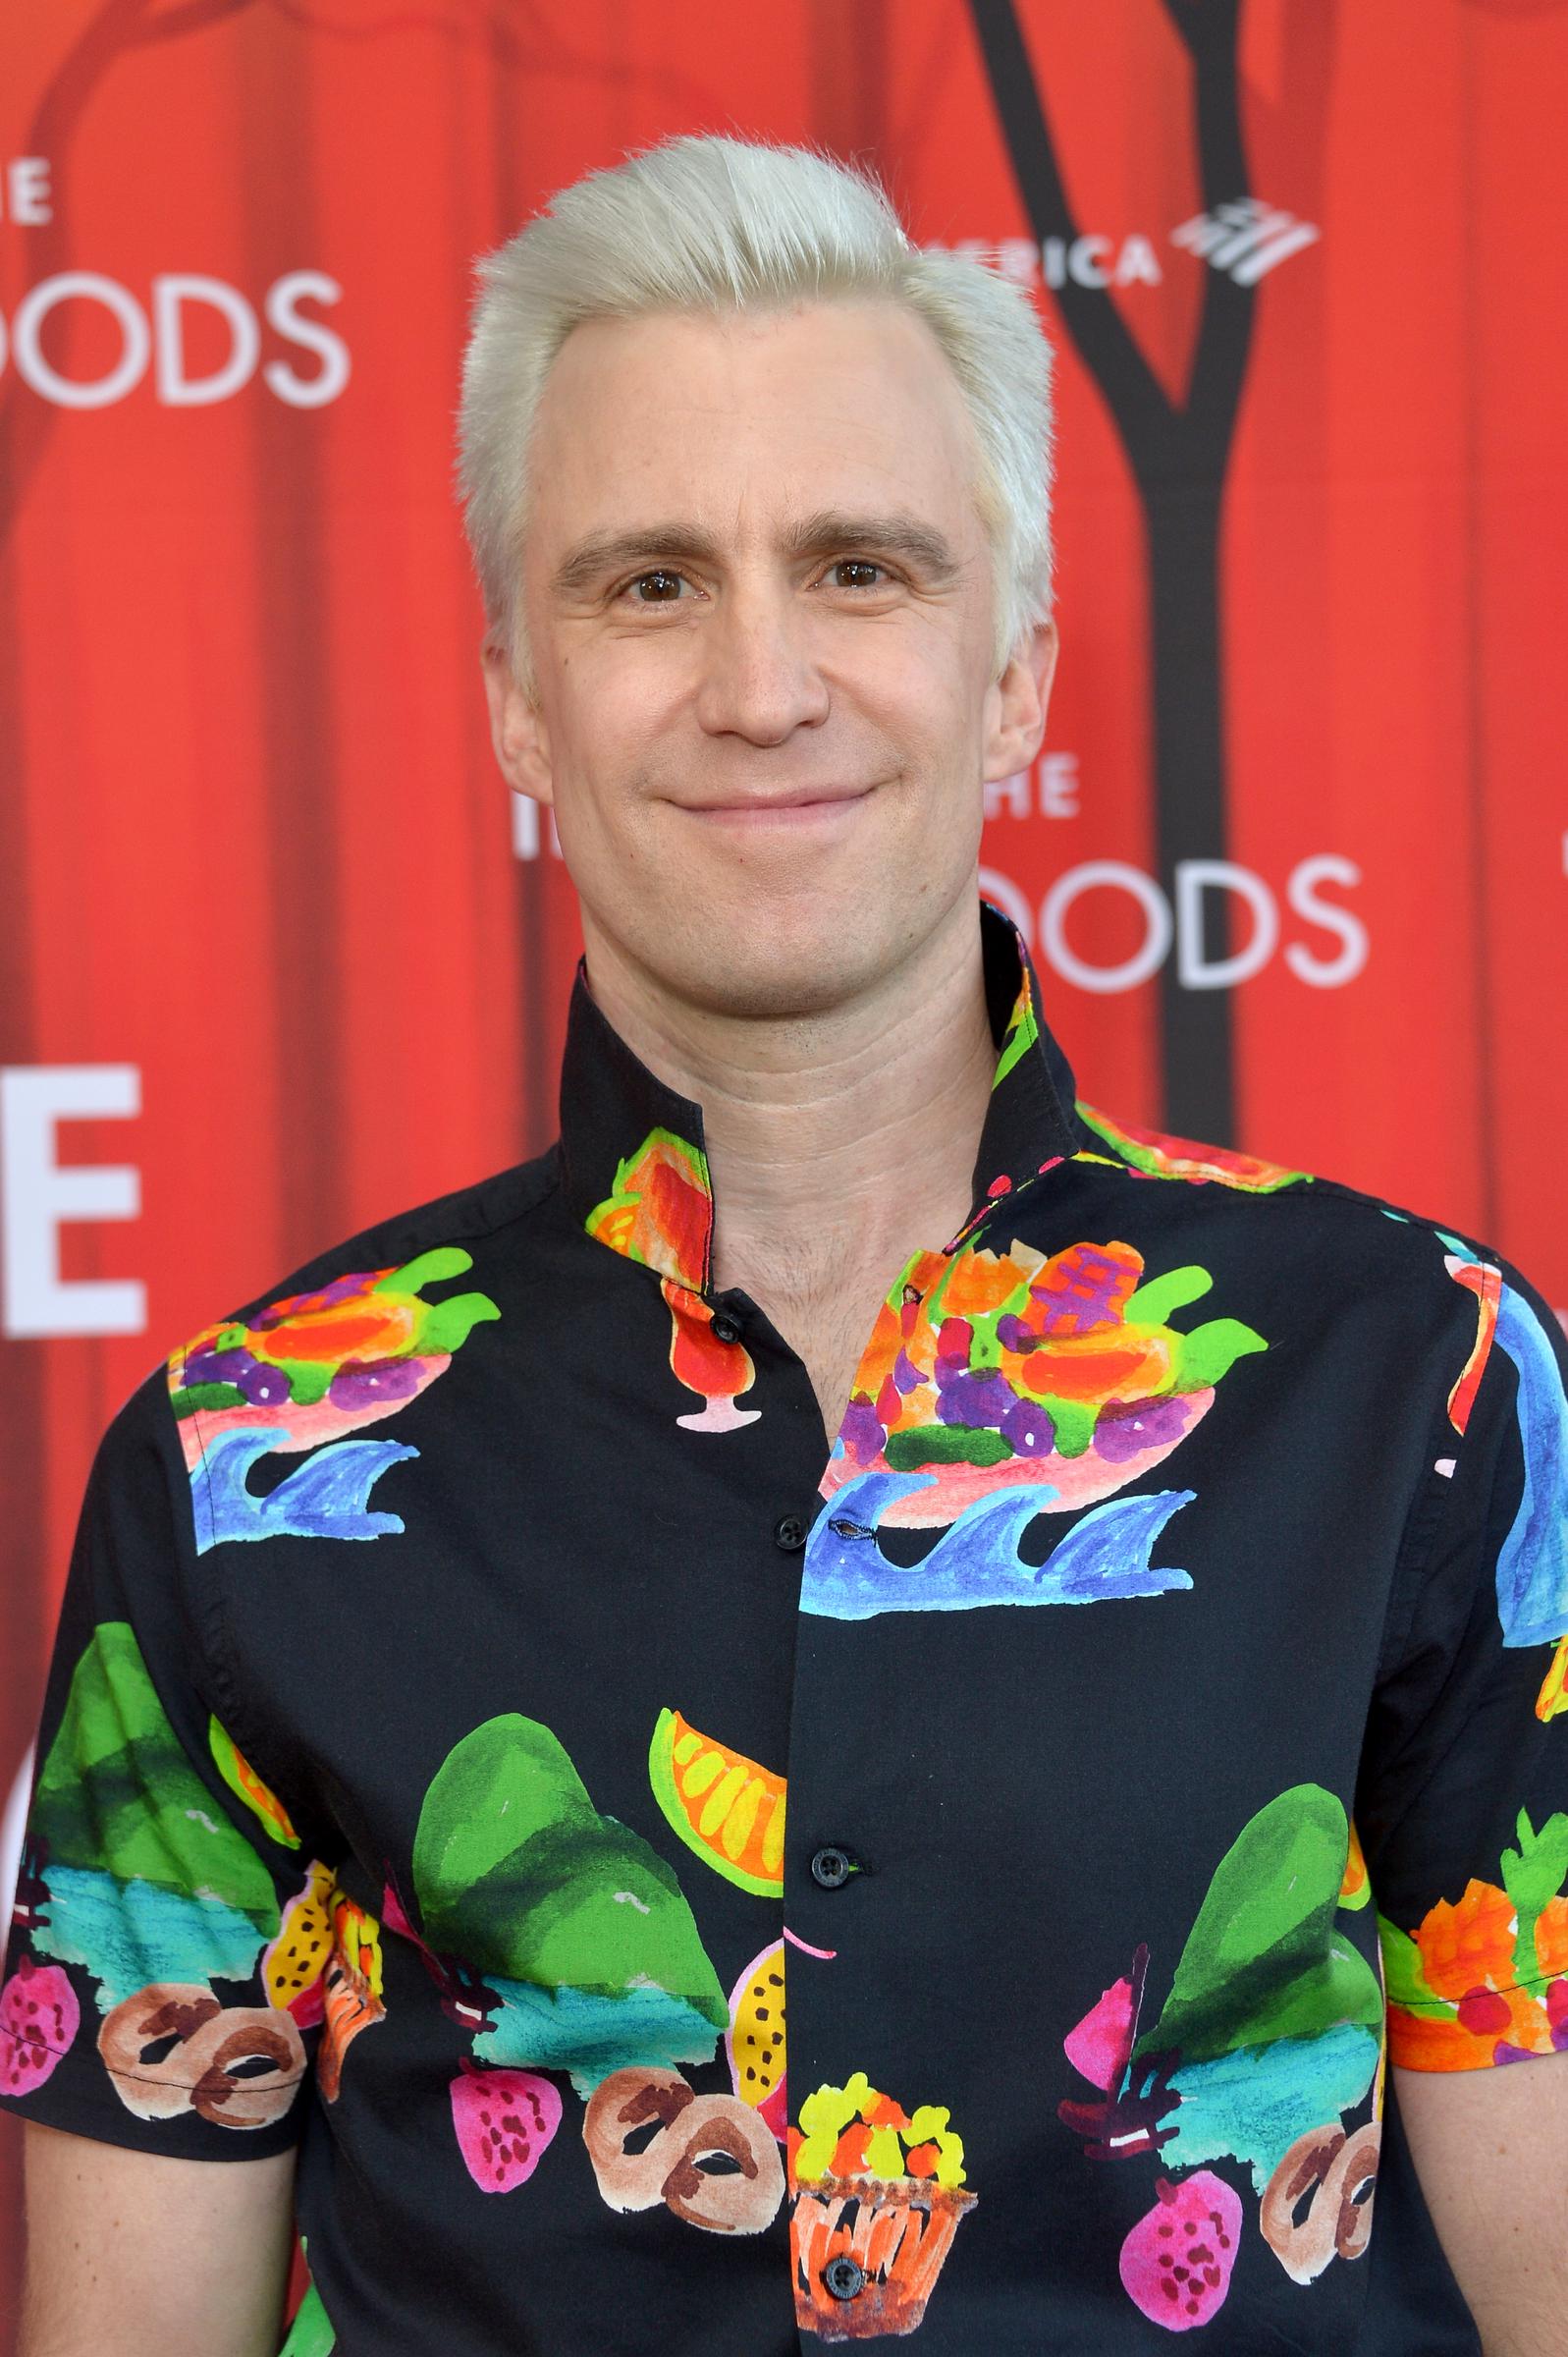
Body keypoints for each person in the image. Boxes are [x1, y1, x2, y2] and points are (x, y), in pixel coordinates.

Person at [2, 131, 1565, 2357]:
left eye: (857, 568)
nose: (760, 684)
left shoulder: (1422, 1383)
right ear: (515, 698)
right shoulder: (242, 1456)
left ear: (1014, 672)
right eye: (649, 584)